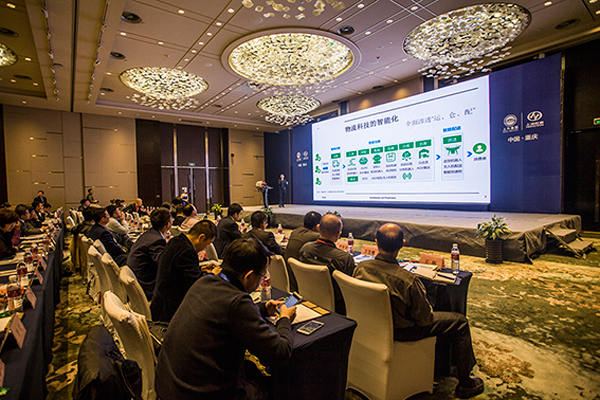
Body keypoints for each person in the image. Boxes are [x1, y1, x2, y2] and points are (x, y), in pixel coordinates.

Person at [353, 223, 484, 399]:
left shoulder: (360, 268)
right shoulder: (408, 280)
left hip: (369, 325)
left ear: (376, 243)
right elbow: (425, 320)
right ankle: (465, 384)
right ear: (402, 244)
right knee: (459, 322)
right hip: (402, 331)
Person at [155, 238, 296, 400]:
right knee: (275, 384)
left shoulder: (205, 282)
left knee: (250, 369)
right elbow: (279, 353)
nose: (261, 281)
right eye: (262, 276)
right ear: (248, 276)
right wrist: (284, 318)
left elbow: (224, 313)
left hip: (169, 385)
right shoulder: (238, 303)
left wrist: (263, 309)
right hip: (199, 393)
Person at [151, 220, 218, 322]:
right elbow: (196, 283)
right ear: (201, 237)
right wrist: (213, 273)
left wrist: (200, 269)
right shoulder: (187, 251)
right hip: (170, 310)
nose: (205, 248)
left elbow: (179, 271)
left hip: (160, 301)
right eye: (207, 244)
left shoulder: (176, 241)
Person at [299, 213, 355, 315]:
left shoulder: (305, 249)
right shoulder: (344, 258)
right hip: (338, 308)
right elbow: (350, 288)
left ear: (319, 228)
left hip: (309, 300)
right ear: (338, 234)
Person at [127, 208, 172, 300]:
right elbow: (164, 264)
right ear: (168, 224)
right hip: (146, 285)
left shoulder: (149, 234)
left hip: (136, 278)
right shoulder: (157, 240)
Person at [284, 211, 321, 292]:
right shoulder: (315, 237)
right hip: (302, 285)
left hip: (289, 282)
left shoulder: (295, 232)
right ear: (318, 226)